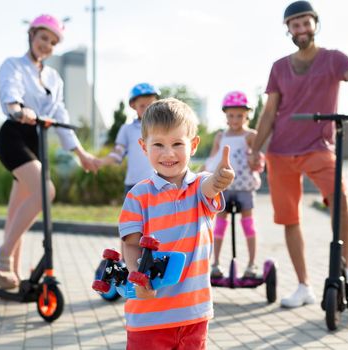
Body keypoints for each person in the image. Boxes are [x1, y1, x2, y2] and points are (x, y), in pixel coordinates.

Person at [249, 1, 348, 308]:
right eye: (295, 24)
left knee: (340, 203)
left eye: (305, 22)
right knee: (289, 219)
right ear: (288, 30)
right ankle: (303, 286)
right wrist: (255, 149)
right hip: (281, 151)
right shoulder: (279, 67)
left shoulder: (333, 59)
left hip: (318, 147)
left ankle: (345, 273)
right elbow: (269, 112)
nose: (301, 29)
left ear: (315, 24)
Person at [0, 14, 99, 289]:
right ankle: (2, 256)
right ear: (32, 35)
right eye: (43, 37)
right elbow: (9, 91)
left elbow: (60, 113)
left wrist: (80, 153)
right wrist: (16, 109)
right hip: (13, 136)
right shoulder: (13, 65)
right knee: (46, 192)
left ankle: (9, 273)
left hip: (36, 140)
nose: (46, 45)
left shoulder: (53, 78)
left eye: (53, 42)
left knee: (17, 213)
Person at [119, 98, 234, 349]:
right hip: (148, 315)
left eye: (177, 144)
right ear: (143, 146)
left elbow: (210, 186)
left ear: (193, 145)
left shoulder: (199, 187)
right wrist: (136, 276)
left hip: (193, 314)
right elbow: (130, 245)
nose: (168, 153)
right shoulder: (138, 196)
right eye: (158, 144)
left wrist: (220, 179)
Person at [205, 91, 262, 279]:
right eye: (231, 115)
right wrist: (203, 174)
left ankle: (252, 264)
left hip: (245, 186)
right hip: (224, 187)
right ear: (225, 116)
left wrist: (257, 161)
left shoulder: (251, 136)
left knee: (248, 224)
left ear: (247, 115)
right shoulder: (220, 137)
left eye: (240, 115)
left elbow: (258, 157)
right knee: (219, 224)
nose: (235, 119)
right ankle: (215, 263)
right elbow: (213, 159)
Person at [98, 83, 159, 195]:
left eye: (150, 105)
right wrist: (99, 162)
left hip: (158, 184)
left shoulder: (163, 128)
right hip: (133, 185)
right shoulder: (126, 129)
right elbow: (118, 153)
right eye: (142, 106)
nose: (147, 109)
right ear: (133, 105)